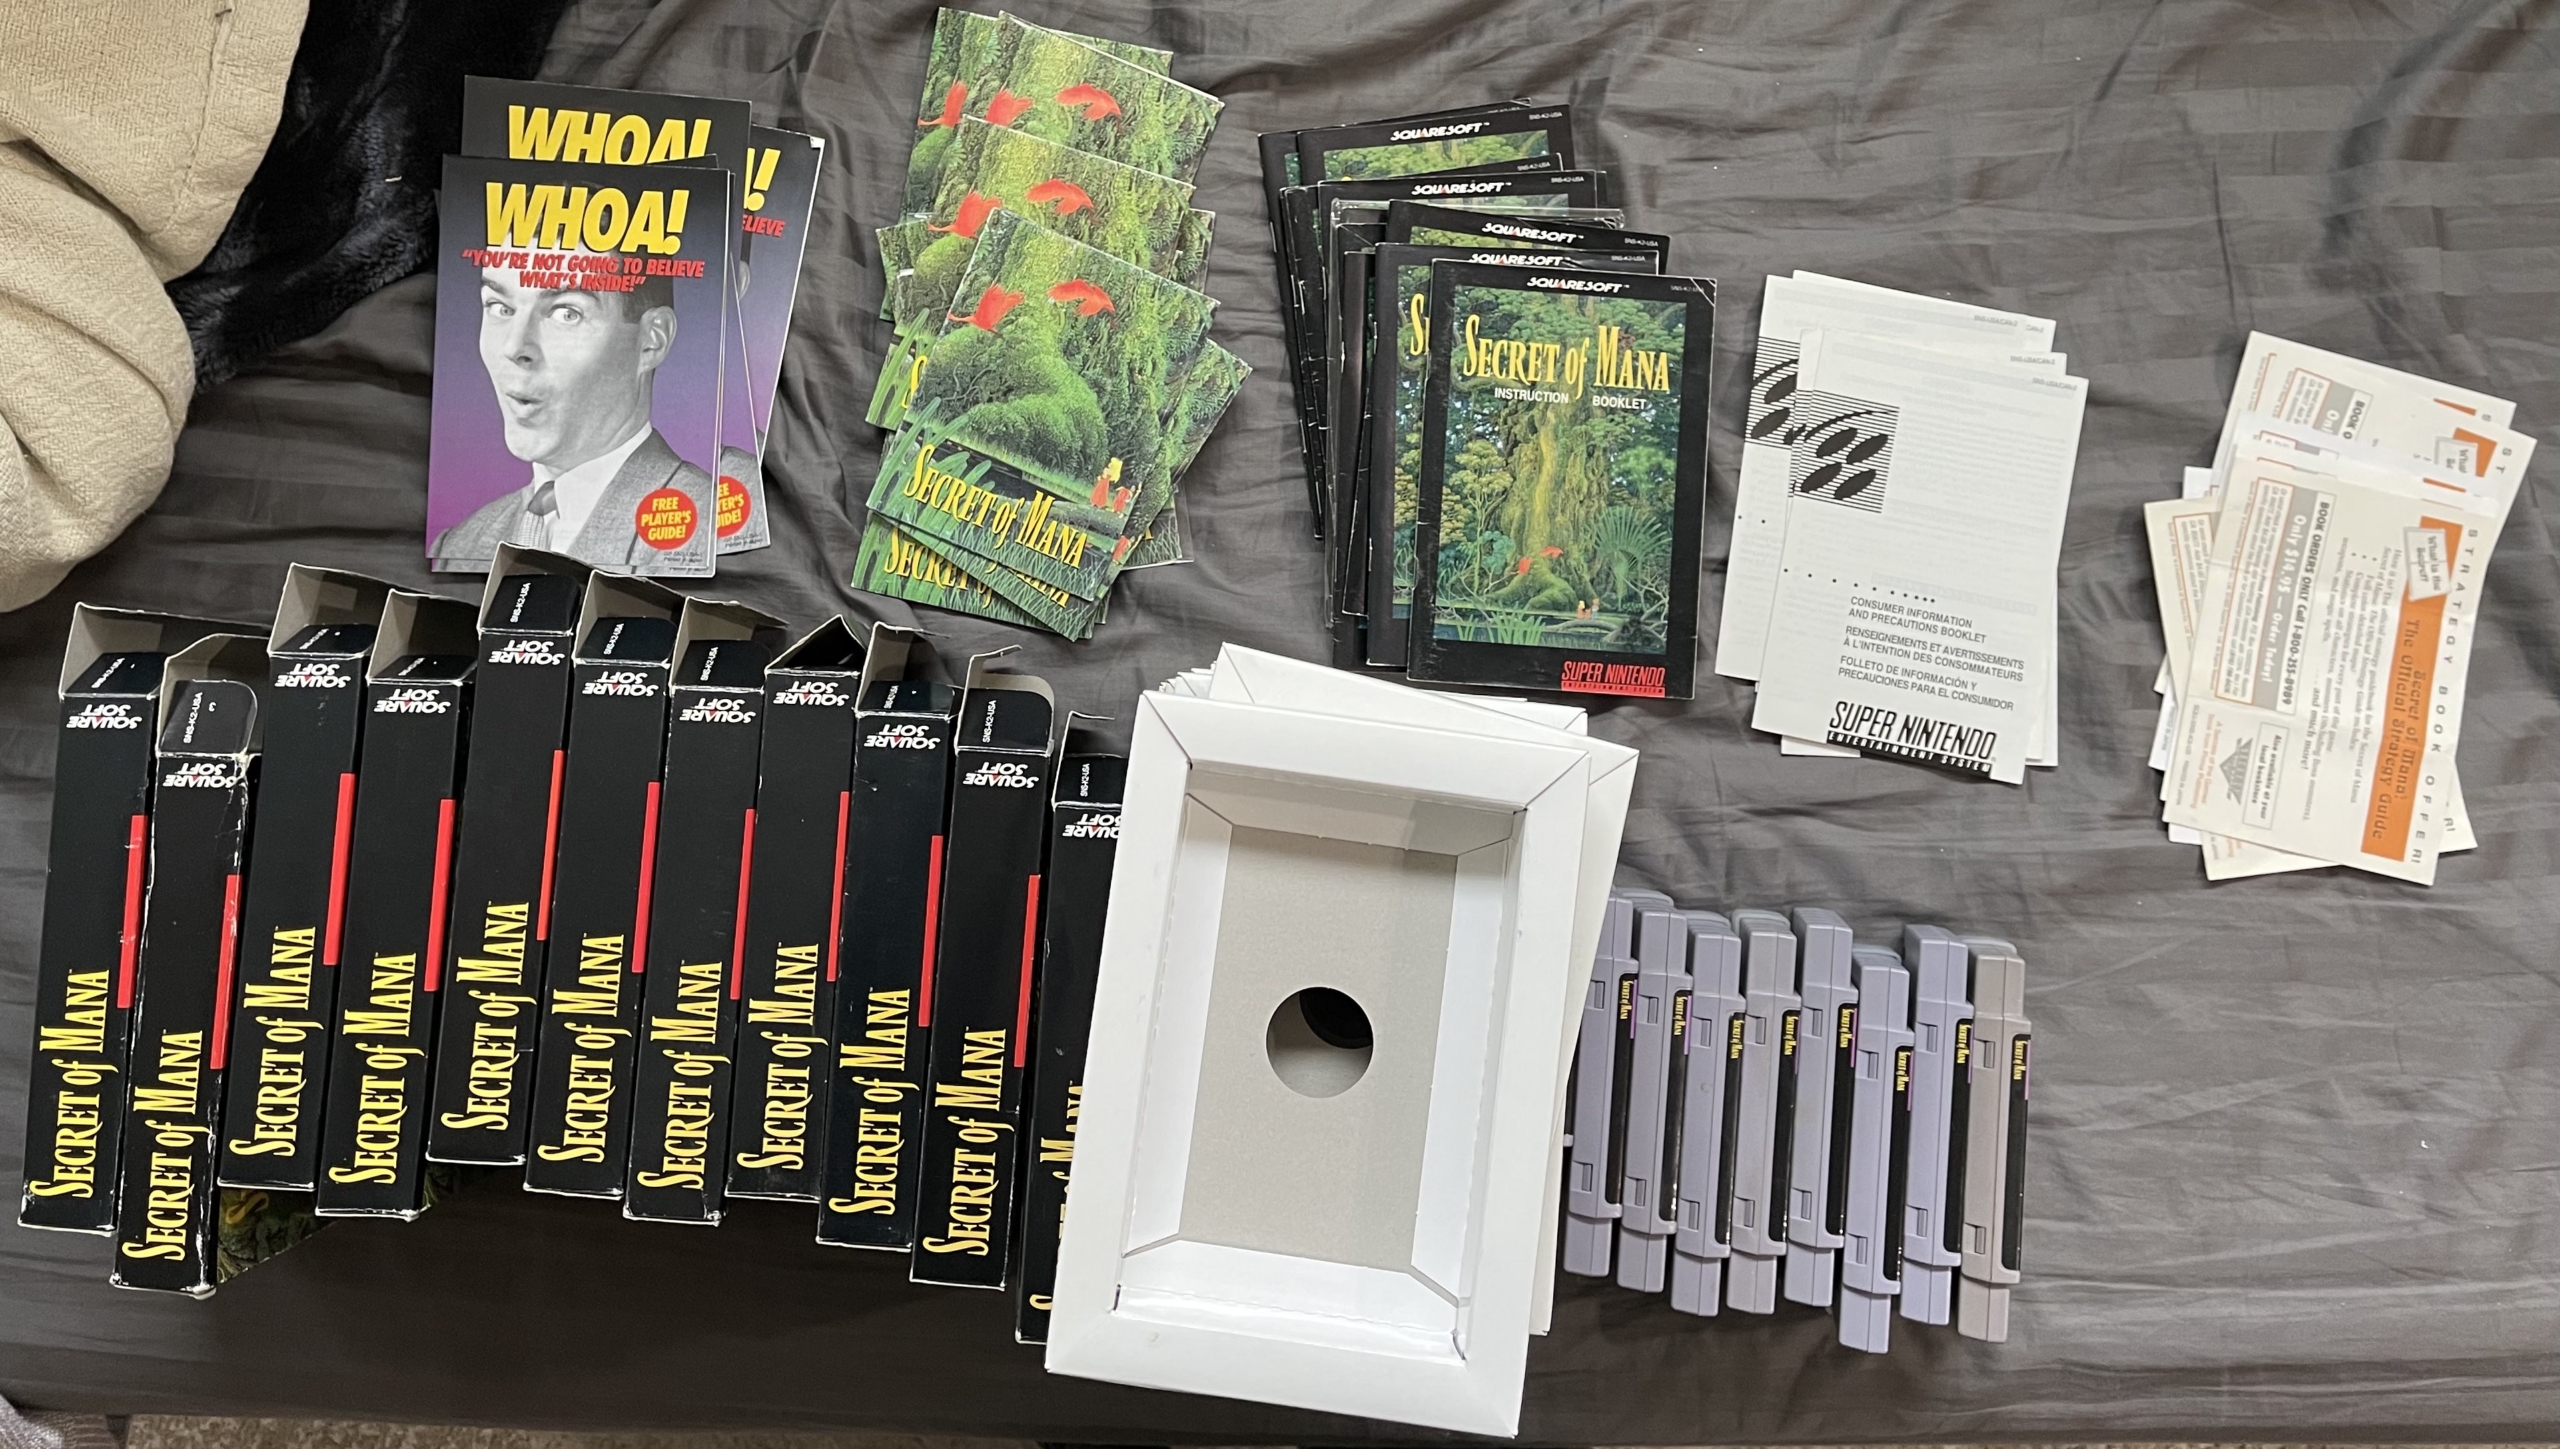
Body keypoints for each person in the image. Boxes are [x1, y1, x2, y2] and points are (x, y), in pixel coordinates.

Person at [430, 262, 712, 571]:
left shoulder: (711, 529)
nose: (514, 347)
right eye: (501, 308)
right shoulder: (457, 546)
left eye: (567, 313)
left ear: (651, 341)